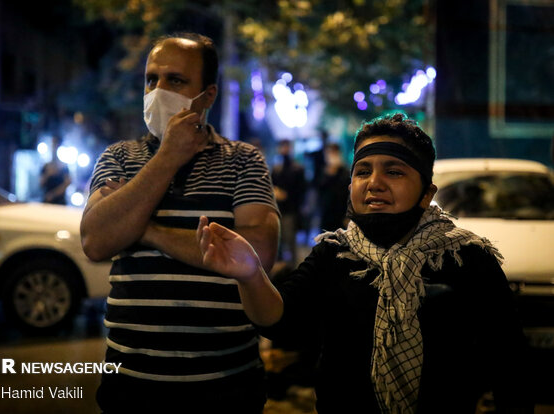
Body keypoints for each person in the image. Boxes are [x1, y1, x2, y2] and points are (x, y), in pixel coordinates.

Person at [198, 113, 533, 413]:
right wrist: (250, 275)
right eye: (363, 171)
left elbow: (510, 366)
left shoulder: (466, 258)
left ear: (427, 193)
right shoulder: (335, 254)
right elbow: (282, 323)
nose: (374, 183)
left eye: (394, 171)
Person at [80, 32, 280, 413]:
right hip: (132, 384)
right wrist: (167, 157)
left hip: (226, 385)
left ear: (207, 95)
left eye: (175, 80)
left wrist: (147, 230)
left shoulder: (243, 160)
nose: (158, 89)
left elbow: (259, 254)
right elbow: (95, 241)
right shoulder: (119, 157)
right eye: (151, 79)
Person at [272, 139, 306, 265]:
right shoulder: (276, 169)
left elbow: (301, 190)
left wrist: (287, 196)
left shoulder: (297, 169)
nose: (284, 149)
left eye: (286, 146)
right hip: (277, 209)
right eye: (282, 146)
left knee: (290, 240)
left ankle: (292, 270)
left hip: (290, 210)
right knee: (278, 242)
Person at [318, 142, 351, 231]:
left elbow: (347, 194)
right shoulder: (323, 172)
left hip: (341, 216)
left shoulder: (345, 172)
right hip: (326, 216)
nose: (331, 155)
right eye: (329, 152)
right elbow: (319, 191)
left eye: (334, 153)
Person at [39, 135, 71, 204]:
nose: (53, 146)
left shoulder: (63, 166)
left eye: (55, 144)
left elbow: (67, 183)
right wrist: (48, 174)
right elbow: (40, 184)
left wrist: (53, 194)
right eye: (52, 144)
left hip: (60, 202)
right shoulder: (46, 166)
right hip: (47, 201)